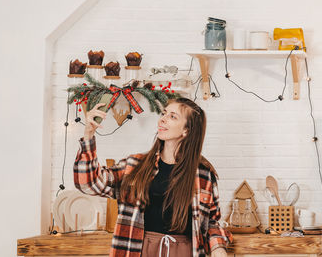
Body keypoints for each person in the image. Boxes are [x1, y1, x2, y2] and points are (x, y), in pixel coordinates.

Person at [74, 97, 233, 257]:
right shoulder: (134, 165)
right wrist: (88, 135)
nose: (162, 119)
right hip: (139, 249)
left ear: (187, 130)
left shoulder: (203, 174)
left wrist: (218, 248)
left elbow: (211, 222)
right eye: (164, 113)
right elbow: (88, 183)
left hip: (185, 251)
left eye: (172, 116)